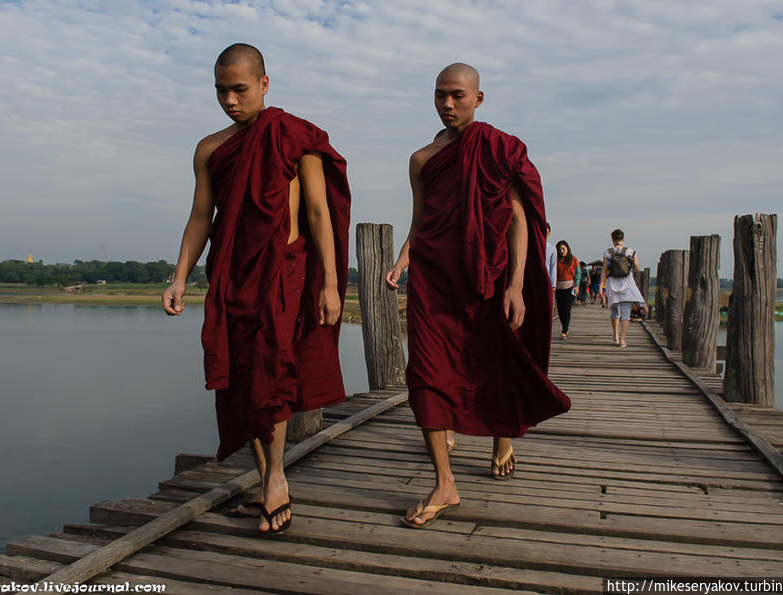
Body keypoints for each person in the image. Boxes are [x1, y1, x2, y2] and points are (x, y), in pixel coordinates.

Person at [161, 44, 351, 535]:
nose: (229, 100)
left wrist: (330, 282)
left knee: (271, 373)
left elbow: (317, 214)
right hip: (230, 277)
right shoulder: (210, 148)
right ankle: (266, 478)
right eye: (221, 90)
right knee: (241, 379)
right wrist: (180, 275)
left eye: (239, 89)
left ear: (264, 84)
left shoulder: (294, 137)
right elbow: (202, 216)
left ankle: (277, 480)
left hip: (282, 271)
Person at [385, 63, 571, 528]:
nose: (448, 104)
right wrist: (403, 259)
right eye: (439, 96)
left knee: (492, 362)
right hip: (433, 280)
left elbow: (515, 217)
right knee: (424, 373)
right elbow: (421, 218)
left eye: (457, 96)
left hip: (486, 278)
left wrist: (514, 286)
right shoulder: (422, 159)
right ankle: (445, 483)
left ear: (478, 98)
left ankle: (500, 435)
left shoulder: (496, 148)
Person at [599, 229, 644, 347]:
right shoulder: (631, 251)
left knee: (614, 311)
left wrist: (601, 285)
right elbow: (637, 268)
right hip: (627, 284)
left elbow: (604, 270)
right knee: (625, 313)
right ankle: (623, 340)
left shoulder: (607, 252)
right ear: (623, 239)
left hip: (612, 284)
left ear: (612, 239)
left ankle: (616, 335)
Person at [554, 240, 580, 339]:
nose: (561, 251)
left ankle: (564, 330)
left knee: (567, 309)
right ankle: (565, 327)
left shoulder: (573, 259)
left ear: (567, 249)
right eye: (559, 249)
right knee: (560, 310)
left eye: (563, 249)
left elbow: (578, 273)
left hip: (570, 288)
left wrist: (576, 285)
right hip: (559, 288)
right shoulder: (556, 260)